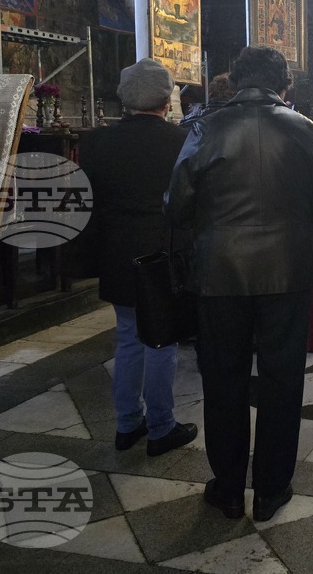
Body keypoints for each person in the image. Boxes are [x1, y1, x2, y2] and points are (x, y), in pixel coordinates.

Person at [166, 46, 313, 522]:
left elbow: (176, 206)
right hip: (287, 274)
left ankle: (226, 489)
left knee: (224, 380)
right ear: (284, 84)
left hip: (219, 274)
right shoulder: (306, 130)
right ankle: (270, 489)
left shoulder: (203, 127)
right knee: (283, 381)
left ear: (236, 80)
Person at [78, 59, 199, 456]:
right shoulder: (181, 141)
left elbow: (90, 203)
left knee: (128, 338)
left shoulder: (96, 142)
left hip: (117, 253)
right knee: (160, 340)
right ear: (167, 100)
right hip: (162, 254)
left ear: (125, 99)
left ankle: (127, 424)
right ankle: (162, 427)